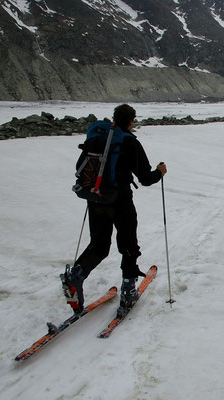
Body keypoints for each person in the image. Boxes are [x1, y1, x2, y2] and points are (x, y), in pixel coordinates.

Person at [62, 104, 167, 315]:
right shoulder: (129, 142)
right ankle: (128, 292)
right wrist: (159, 172)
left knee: (99, 245)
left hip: (96, 198)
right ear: (131, 120)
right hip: (120, 201)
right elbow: (145, 179)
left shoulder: (99, 138)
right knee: (128, 244)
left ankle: (76, 276)